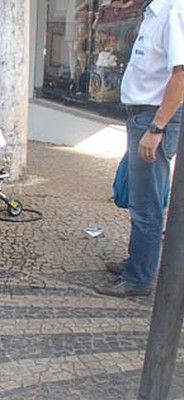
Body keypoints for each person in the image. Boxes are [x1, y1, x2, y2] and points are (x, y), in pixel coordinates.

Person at [95, 0, 184, 297]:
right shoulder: (152, 13)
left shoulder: (174, 10)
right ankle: (137, 261)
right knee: (141, 198)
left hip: (153, 117)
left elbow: (181, 74)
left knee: (147, 202)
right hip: (143, 116)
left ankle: (139, 279)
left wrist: (157, 128)